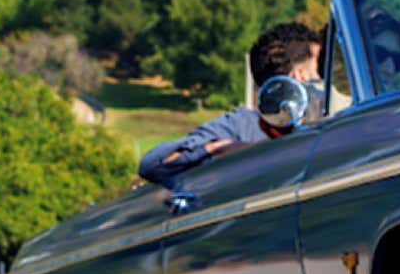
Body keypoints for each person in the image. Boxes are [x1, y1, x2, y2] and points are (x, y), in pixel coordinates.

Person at [136, 24, 320, 186]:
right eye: (319, 70)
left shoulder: (331, 116)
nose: (325, 81)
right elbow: (152, 164)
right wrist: (220, 147)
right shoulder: (241, 125)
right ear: (298, 76)